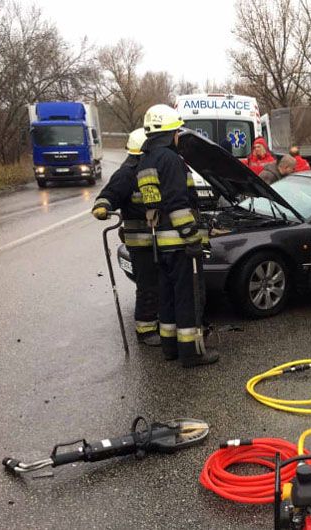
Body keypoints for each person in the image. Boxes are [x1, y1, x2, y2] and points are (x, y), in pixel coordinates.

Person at [137, 103, 218, 367]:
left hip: (160, 243)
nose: (177, 137)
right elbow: (176, 202)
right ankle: (192, 353)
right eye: (176, 132)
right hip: (180, 243)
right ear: (170, 133)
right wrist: (192, 236)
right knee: (188, 298)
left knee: (168, 298)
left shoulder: (145, 160)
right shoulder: (170, 159)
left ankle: (170, 348)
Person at [92, 128, 160, 347]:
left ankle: (157, 321)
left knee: (158, 284)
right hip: (140, 242)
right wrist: (103, 206)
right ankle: (146, 329)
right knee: (147, 285)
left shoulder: (150, 168)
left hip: (156, 240)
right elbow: (109, 194)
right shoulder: (127, 173)